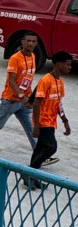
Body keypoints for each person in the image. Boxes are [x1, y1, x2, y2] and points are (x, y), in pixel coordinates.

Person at [0, 33, 39, 153]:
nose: (30, 44)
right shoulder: (15, 58)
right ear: (22, 42)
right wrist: (22, 97)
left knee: (30, 127)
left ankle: (39, 153)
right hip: (11, 100)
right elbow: (11, 81)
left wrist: (30, 98)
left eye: (33, 41)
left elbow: (28, 80)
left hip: (24, 101)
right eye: (28, 41)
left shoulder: (33, 56)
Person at [26, 51, 72, 187]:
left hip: (51, 121)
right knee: (51, 147)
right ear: (58, 64)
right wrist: (36, 126)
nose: (70, 67)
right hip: (42, 121)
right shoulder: (46, 80)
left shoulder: (60, 82)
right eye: (68, 64)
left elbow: (59, 104)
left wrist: (65, 121)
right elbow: (36, 103)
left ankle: (31, 177)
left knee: (40, 149)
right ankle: (28, 173)